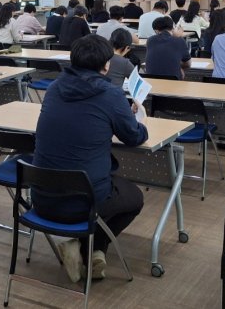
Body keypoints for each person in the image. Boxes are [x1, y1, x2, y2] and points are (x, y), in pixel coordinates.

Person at [33, 34, 148, 283]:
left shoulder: (53, 89)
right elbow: (133, 137)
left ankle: (91, 249)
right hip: (83, 202)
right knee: (134, 197)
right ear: (106, 65)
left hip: (41, 197)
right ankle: (91, 247)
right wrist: (138, 120)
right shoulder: (110, 94)